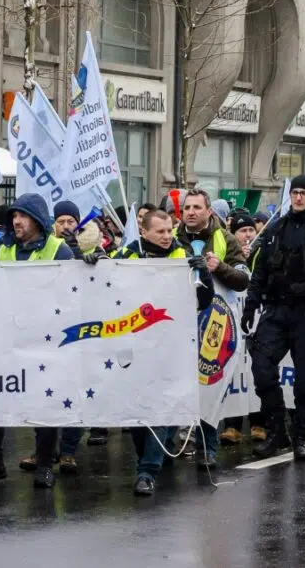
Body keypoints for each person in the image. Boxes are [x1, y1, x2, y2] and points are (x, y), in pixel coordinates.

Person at [0, 193, 75, 490]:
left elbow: (72, 294)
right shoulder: (2, 248)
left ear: (37, 219)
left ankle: (44, 465)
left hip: (44, 339)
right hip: (6, 338)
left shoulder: (60, 250)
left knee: (45, 401)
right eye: (14, 216)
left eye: (23, 216)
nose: (16, 221)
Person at [242, 174, 305, 462]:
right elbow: (260, 271)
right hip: (276, 312)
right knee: (261, 368)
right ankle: (276, 431)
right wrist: (251, 305)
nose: (298, 198)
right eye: (295, 192)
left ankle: (301, 438)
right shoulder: (276, 228)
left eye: (304, 193)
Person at [116, 209, 213, 497]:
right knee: (137, 412)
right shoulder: (127, 256)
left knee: (160, 406)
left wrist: (203, 273)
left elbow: (204, 301)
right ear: (143, 232)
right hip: (134, 346)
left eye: (170, 230)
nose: (167, 236)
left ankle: (147, 471)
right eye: (160, 231)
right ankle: (156, 451)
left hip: (171, 345)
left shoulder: (181, 257)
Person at [23, 199, 101, 467]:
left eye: (71, 221)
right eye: (61, 222)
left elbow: (95, 284)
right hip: (47, 329)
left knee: (73, 391)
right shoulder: (46, 248)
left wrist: (82, 255)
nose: (66, 226)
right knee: (45, 393)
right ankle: (43, 451)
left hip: (79, 330)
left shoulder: (94, 247)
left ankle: (68, 450)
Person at [175, 189, 247, 467]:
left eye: (196, 207)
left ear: (209, 212)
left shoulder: (225, 239)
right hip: (178, 322)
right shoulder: (171, 236)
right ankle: (176, 442)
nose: (191, 212)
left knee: (210, 386)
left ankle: (209, 447)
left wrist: (219, 268)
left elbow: (243, 279)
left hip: (213, 323)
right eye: (187, 207)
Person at [219, 212, 267, 445]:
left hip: (258, 323)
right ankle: (232, 425)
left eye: (251, 230)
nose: (248, 235)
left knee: (257, 372)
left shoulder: (263, 251)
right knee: (233, 374)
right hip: (232, 322)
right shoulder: (226, 254)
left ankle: (259, 423)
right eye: (242, 231)